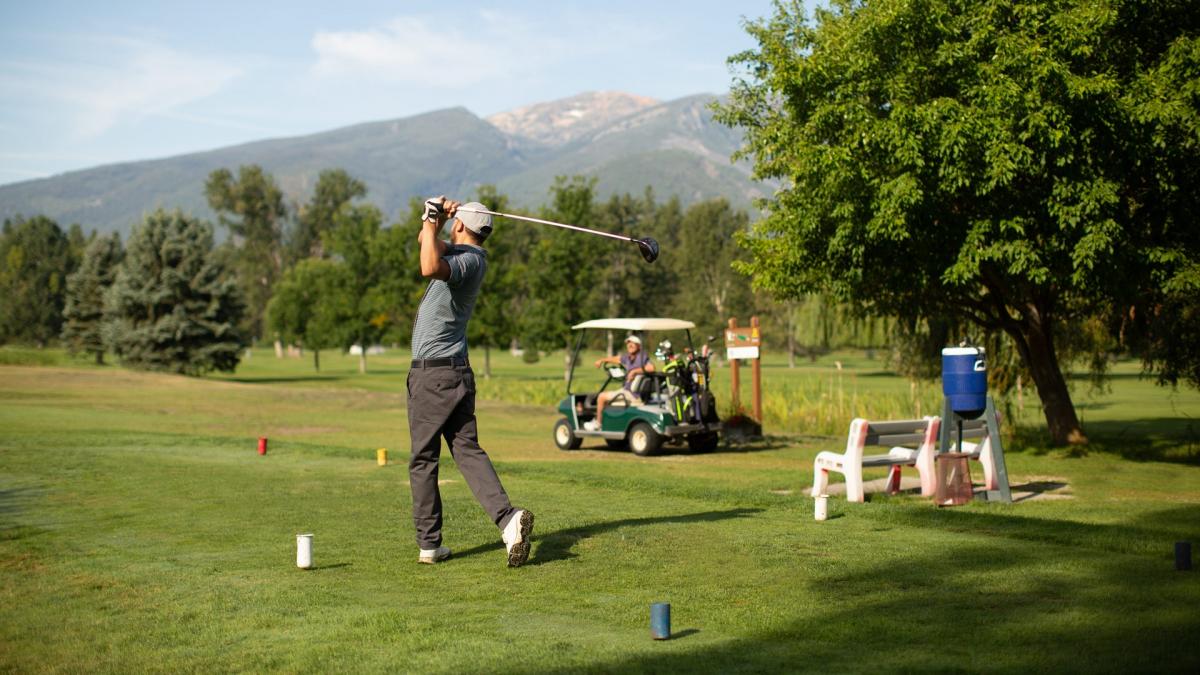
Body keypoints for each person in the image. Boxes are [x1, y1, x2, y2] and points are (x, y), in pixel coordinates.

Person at [407, 195, 533, 567]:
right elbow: (425, 242)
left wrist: (435, 219)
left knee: (423, 459)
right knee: (466, 450)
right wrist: (437, 219)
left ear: (462, 226)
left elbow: (428, 265)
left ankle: (429, 544)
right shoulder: (471, 256)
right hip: (454, 372)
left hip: (435, 376)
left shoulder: (465, 262)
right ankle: (509, 521)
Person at [584, 335, 655, 430]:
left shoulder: (642, 356)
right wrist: (602, 360)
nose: (630, 345)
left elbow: (651, 368)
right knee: (609, 396)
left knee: (601, 397)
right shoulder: (629, 357)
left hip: (632, 394)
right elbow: (617, 359)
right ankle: (605, 422)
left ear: (639, 346)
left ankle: (598, 423)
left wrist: (634, 371)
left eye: (632, 343)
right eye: (628, 343)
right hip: (627, 391)